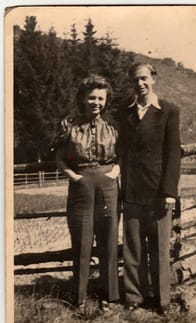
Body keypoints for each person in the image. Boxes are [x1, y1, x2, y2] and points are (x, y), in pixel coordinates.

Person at [118, 62, 181, 314]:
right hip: (132, 191)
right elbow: (121, 150)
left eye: (144, 78)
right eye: (135, 80)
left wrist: (169, 192)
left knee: (159, 248)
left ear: (154, 79)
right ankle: (134, 297)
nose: (140, 84)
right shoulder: (125, 112)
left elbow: (173, 153)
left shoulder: (168, 111)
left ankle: (162, 300)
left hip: (158, 193)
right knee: (133, 249)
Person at [56, 75, 120, 311]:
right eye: (91, 97)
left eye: (101, 98)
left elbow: (123, 153)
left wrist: (115, 172)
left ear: (106, 100)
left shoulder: (113, 126)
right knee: (82, 241)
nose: (96, 102)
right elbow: (60, 158)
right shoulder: (69, 126)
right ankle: (79, 298)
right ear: (82, 99)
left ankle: (109, 297)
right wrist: (75, 177)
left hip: (108, 186)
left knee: (109, 241)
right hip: (81, 186)